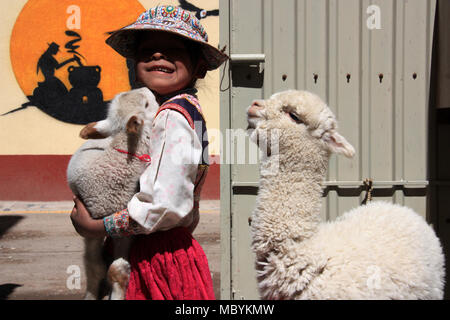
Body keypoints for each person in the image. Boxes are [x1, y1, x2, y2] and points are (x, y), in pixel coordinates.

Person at [70, 5, 228, 300]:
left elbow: (165, 205)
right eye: (149, 50)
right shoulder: (184, 112)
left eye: (173, 50)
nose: (159, 55)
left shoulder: (172, 118)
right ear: (134, 63)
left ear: (198, 67)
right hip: (163, 250)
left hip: (153, 259)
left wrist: (98, 225)